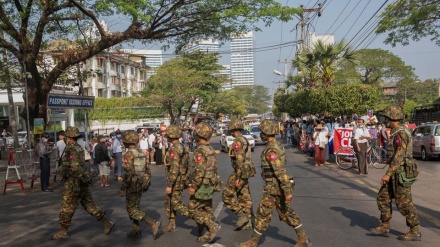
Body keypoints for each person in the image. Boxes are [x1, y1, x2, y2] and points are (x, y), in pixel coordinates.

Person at [237, 119, 311, 247]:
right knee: (286, 212)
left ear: (267, 132)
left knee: (263, 213)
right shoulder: (277, 146)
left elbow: (279, 172)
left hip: (274, 187)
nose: (261, 134)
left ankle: (253, 242)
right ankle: (303, 238)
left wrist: (287, 191)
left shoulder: (272, 150)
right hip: (276, 187)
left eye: (262, 131)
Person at [51, 126, 114, 240]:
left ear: (69, 138)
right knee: (90, 206)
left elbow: (75, 168)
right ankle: (106, 221)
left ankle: (63, 230)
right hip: (81, 183)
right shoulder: (78, 148)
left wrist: (64, 173)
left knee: (66, 208)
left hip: (74, 183)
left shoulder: (71, 149)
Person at [369, 106, 421, 241]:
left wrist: (388, 174)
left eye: (386, 118)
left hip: (401, 173)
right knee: (383, 197)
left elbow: (399, 155)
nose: (384, 120)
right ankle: (384, 226)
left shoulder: (401, 133)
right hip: (395, 172)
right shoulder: (395, 131)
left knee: (404, 203)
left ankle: (415, 230)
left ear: (392, 118)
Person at [118, 130, 161, 239]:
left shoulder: (128, 154)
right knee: (135, 206)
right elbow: (147, 170)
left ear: (127, 141)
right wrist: (145, 183)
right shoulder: (141, 153)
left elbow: (129, 173)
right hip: (140, 183)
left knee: (132, 210)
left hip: (132, 184)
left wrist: (122, 187)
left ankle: (152, 224)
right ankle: (135, 229)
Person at [188, 122, 221, 243]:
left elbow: (199, 171)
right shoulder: (210, 149)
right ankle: (208, 230)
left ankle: (212, 226)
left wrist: (193, 186)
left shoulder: (200, 150)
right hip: (210, 183)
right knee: (207, 208)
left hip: (202, 185)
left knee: (192, 209)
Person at [222, 119, 255, 231]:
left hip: (240, 172)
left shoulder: (238, 142)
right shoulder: (244, 139)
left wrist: (238, 177)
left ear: (232, 129)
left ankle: (242, 216)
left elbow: (240, 160)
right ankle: (248, 222)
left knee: (226, 195)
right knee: (244, 196)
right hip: (246, 172)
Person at [162, 125, 192, 232]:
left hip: (175, 180)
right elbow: (188, 165)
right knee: (169, 201)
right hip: (181, 178)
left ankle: (200, 218)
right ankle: (171, 223)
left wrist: (170, 185)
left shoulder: (174, 149)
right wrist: (186, 179)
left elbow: (174, 168)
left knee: (175, 202)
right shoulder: (183, 147)